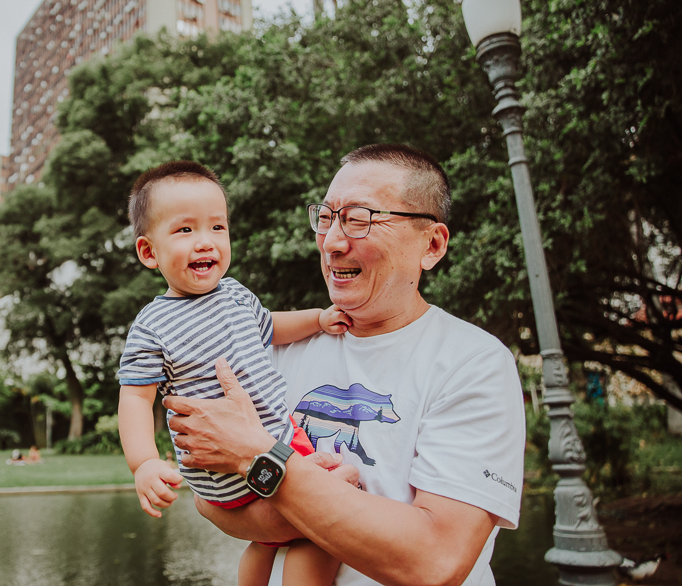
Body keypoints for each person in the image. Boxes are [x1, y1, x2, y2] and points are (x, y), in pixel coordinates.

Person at [164, 144, 526, 586]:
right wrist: (308, 496)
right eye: (327, 217)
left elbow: (435, 560)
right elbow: (211, 500)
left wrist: (257, 457)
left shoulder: (474, 362)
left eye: (359, 219)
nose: (333, 242)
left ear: (431, 245)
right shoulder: (269, 350)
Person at [118, 161, 352, 586]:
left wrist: (317, 319)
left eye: (217, 228)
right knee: (333, 503)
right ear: (149, 252)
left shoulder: (235, 294)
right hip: (238, 466)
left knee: (265, 544)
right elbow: (135, 398)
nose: (205, 242)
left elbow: (272, 327)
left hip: (265, 455)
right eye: (185, 230)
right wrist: (144, 464)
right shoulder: (152, 325)